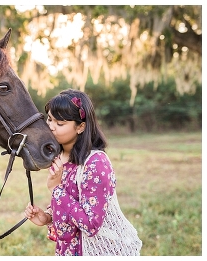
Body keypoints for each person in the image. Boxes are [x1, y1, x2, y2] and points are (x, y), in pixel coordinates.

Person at [23, 89, 141, 255]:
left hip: (100, 251)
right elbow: (72, 202)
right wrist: (47, 217)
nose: (51, 127)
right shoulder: (60, 158)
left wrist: (56, 190)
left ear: (80, 127)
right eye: (49, 119)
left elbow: (91, 225)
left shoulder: (96, 163)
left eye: (60, 123)